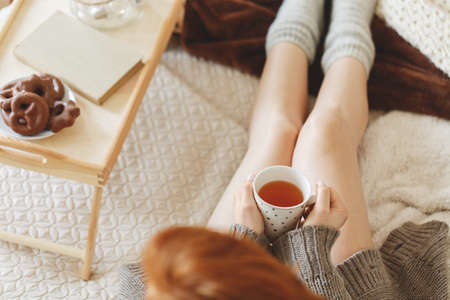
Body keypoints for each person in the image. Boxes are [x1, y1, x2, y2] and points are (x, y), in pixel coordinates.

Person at [119, 0, 448, 299]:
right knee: (323, 135)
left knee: (277, 132)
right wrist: (314, 242)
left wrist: (244, 237)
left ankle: (300, 12)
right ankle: (350, 22)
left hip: (219, 283)